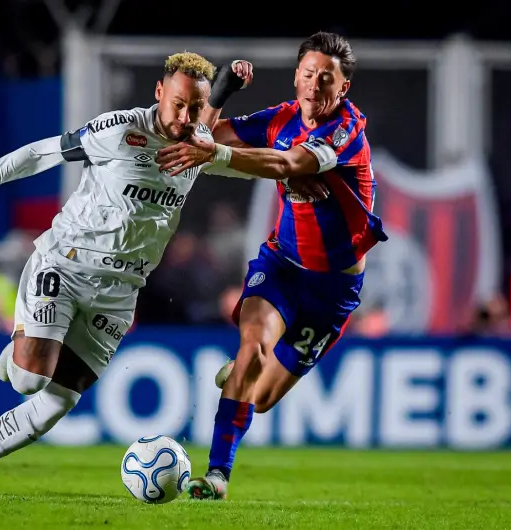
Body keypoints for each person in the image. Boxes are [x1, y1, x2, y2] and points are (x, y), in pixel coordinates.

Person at [0, 51, 255, 496]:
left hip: (120, 293)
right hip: (65, 263)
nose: (186, 116)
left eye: (194, 108)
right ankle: (19, 352)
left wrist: (230, 91)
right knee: (29, 380)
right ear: (159, 93)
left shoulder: (197, 145)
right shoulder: (119, 131)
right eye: (177, 103)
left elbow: (226, 134)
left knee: (55, 404)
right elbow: (37, 154)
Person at [155, 31, 389, 500]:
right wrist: (220, 92)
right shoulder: (281, 117)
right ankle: (217, 475)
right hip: (281, 265)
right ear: (296, 76)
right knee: (253, 351)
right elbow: (208, 137)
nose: (315, 86)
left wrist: (216, 154)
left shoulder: (346, 129)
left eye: (327, 79)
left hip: (333, 293)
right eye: (308, 74)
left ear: (343, 88)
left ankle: (243, 373)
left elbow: (289, 164)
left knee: (260, 400)